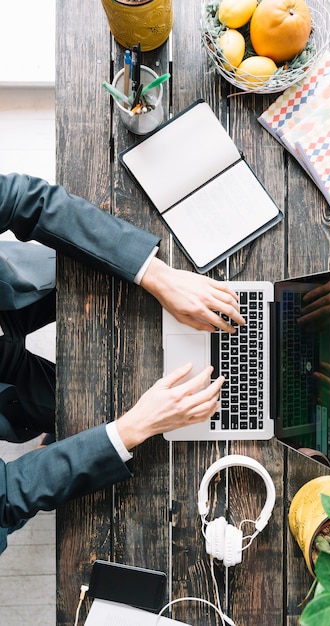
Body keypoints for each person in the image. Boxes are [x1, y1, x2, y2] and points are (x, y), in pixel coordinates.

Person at [0, 172, 245, 553]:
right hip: (5, 395)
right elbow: (7, 497)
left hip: (10, 287)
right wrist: (133, 427)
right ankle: (54, 439)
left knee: (95, 269)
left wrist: (156, 274)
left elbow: (24, 200)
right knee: (80, 420)